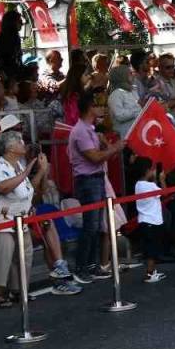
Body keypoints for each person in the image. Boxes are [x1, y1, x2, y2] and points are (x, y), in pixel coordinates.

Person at [0, 131, 46, 308]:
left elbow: (28, 189)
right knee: (3, 255)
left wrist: (41, 171)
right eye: (20, 142)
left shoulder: (18, 164)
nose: (24, 144)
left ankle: (18, 290)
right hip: (0, 219)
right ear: (10, 148)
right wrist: (27, 172)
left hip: (19, 218)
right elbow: (2, 187)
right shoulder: (0, 166)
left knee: (25, 254)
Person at [67, 93, 122, 282]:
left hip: (95, 179)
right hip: (88, 180)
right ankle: (81, 267)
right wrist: (114, 147)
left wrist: (108, 147)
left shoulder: (88, 129)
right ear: (90, 107)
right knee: (90, 225)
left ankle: (92, 265)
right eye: (99, 105)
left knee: (97, 225)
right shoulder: (81, 131)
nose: (102, 108)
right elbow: (95, 157)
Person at [131, 157, 169, 284]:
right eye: (152, 169)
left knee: (149, 248)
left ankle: (152, 271)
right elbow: (164, 193)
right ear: (147, 171)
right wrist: (162, 180)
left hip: (144, 220)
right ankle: (150, 273)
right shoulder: (151, 185)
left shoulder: (138, 185)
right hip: (153, 221)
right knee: (153, 250)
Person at [0, 10, 25, 82]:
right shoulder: (3, 38)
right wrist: (2, 72)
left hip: (14, 73)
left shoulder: (15, 37)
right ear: (12, 23)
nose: (22, 24)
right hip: (7, 75)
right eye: (19, 21)